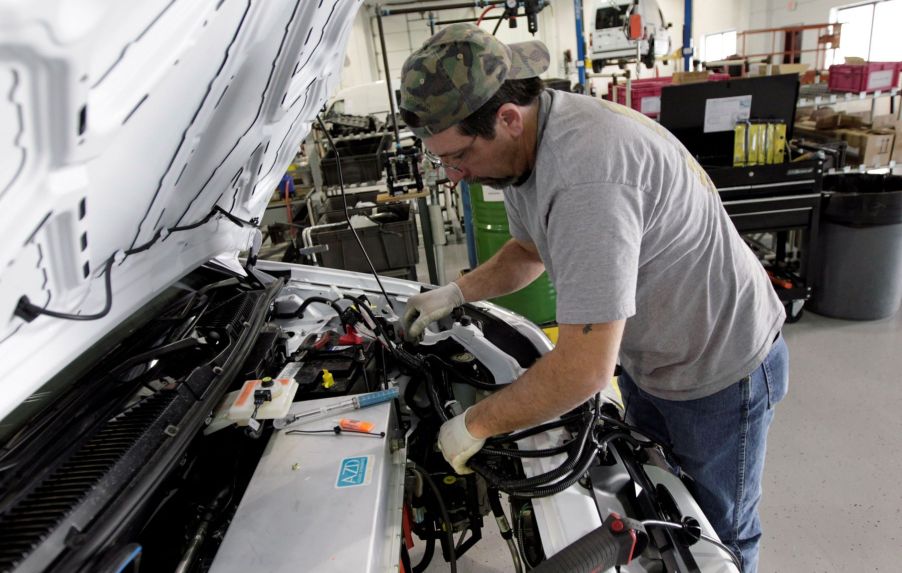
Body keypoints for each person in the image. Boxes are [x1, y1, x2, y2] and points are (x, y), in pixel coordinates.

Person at [398, 23, 788, 573]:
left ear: (507, 118)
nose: (455, 174)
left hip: (720, 367)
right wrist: (456, 292)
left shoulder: (585, 178)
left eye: (459, 155)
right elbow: (528, 249)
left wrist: (477, 424)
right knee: (658, 505)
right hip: (655, 357)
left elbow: (583, 370)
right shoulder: (528, 148)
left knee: (714, 537)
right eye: (443, 161)